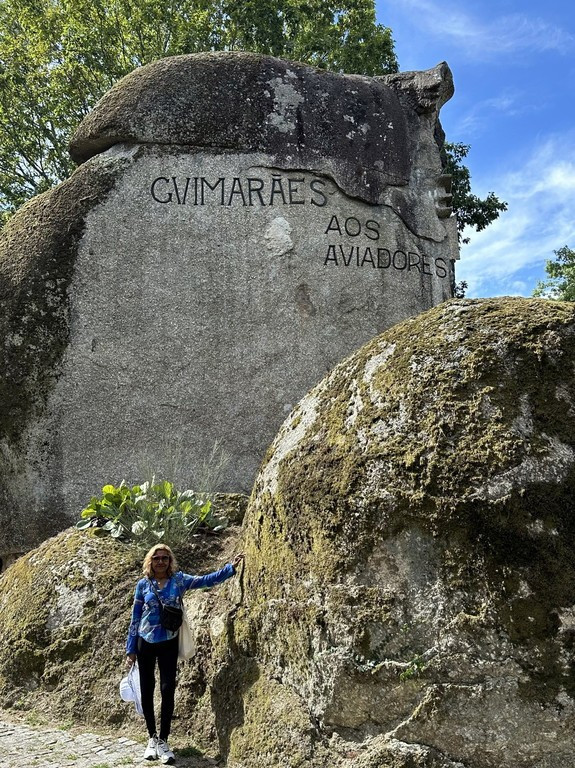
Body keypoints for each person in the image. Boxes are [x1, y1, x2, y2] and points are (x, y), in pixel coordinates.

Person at [126, 543, 245, 764]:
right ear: (150, 561)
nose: (161, 561)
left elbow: (204, 581)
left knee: (168, 689)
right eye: (157, 558)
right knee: (147, 689)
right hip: (145, 642)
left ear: (170, 561)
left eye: (165, 558)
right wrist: (130, 649)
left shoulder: (179, 580)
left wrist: (230, 568)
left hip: (169, 642)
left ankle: (164, 739)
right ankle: (151, 738)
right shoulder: (143, 584)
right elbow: (135, 618)